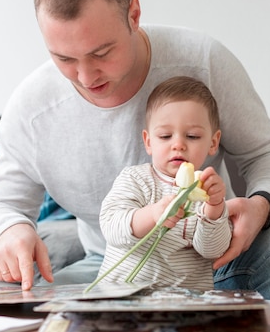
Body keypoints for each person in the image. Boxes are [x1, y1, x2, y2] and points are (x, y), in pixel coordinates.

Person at [0, 0, 270, 300]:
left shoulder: (202, 60)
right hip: (113, 265)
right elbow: (3, 206)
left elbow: (267, 154)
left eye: (101, 53)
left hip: (213, 263)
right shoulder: (32, 109)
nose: (85, 77)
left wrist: (260, 206)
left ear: (134, 15)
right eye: (64, 58)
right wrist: (10, 231)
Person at [97, 76, 231, 290]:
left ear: (213, 142)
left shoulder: (207, 191)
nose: (178, 144)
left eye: (193, 136)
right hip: (124, 296)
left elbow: (213, 251)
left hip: (186, 301)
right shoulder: (135, 178)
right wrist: (151, 215)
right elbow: (111, 227)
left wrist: (214, 209)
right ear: (149, 141)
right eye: (166, 136)